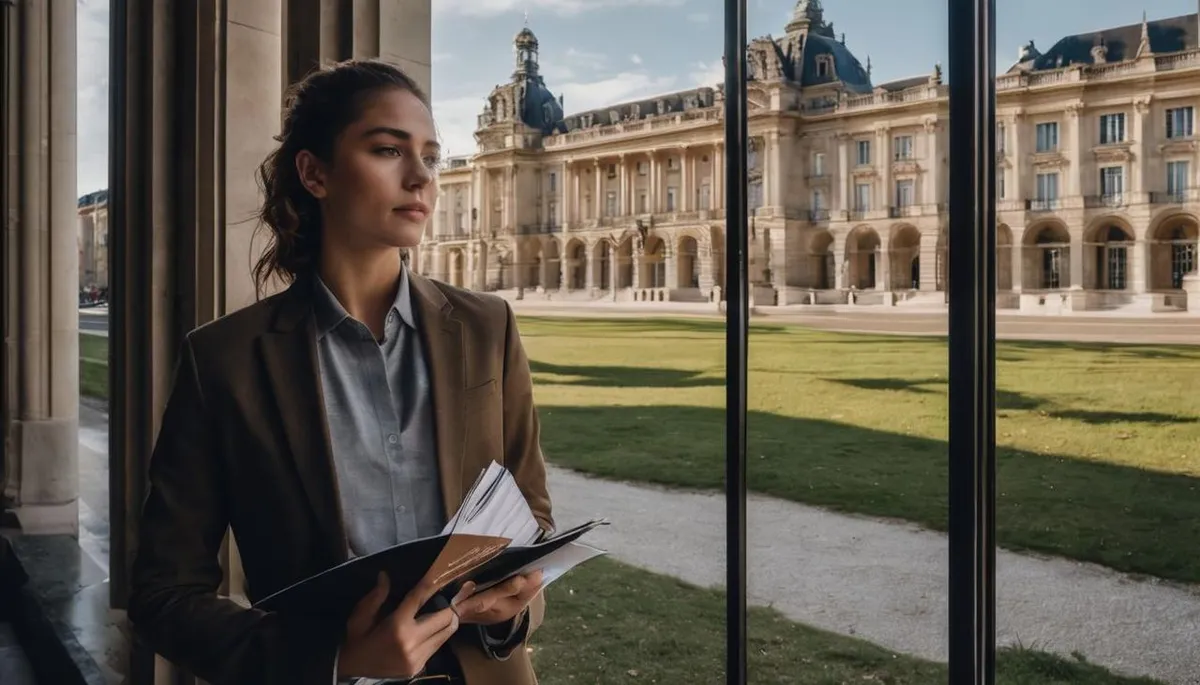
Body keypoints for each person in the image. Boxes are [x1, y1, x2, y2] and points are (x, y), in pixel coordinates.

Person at [127, 59, 553, 685]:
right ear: (314, 172)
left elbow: (531, 518)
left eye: (431, 158)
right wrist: (331, 663)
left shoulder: (489, 327)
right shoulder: (224, 359)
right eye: (388, 150)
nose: (421, 179)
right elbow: (163, 595)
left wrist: (511, 607)